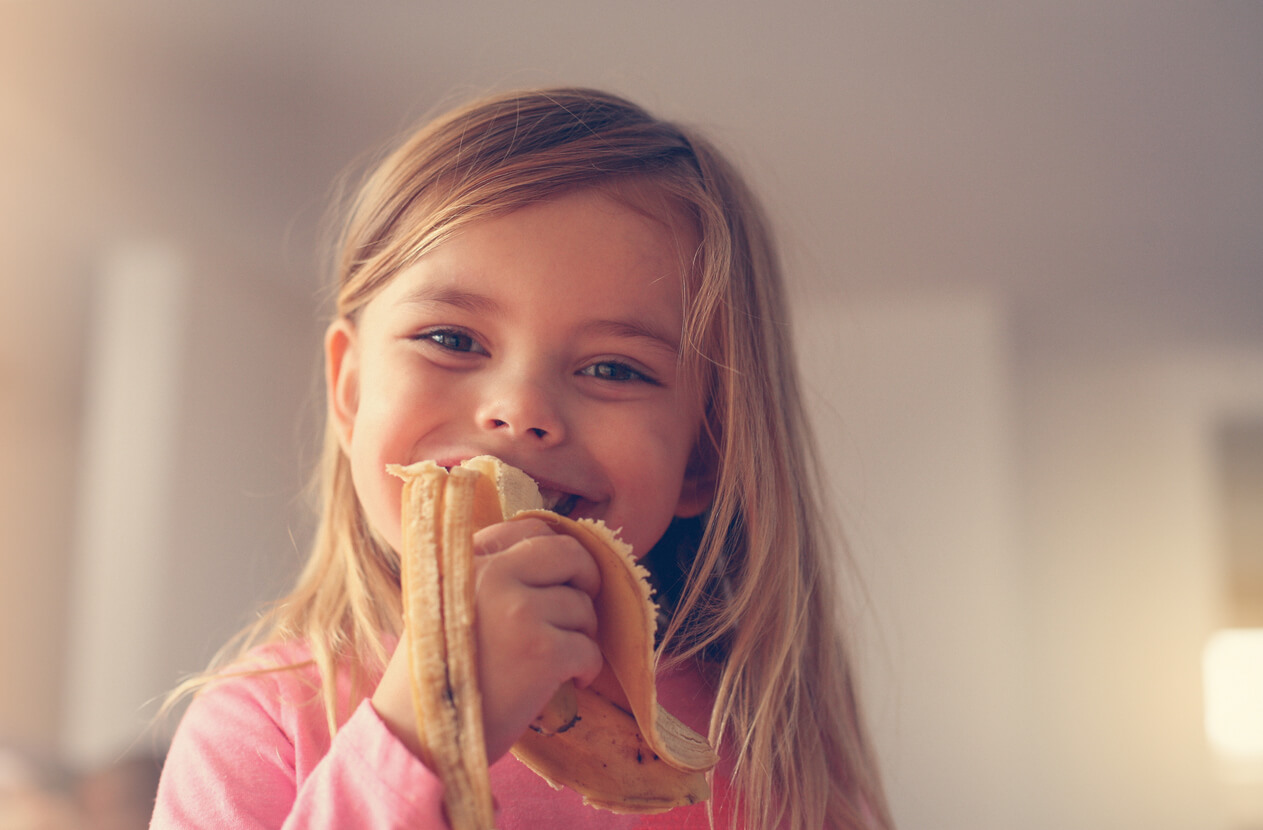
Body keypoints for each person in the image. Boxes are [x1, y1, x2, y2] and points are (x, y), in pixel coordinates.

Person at [150, 87, 894, 830]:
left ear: (704, 455)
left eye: (614, 369)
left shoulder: (763, 755)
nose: (521, 409)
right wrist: (417, 734)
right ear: (349, 393)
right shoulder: (261, 731)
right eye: (451, 339)